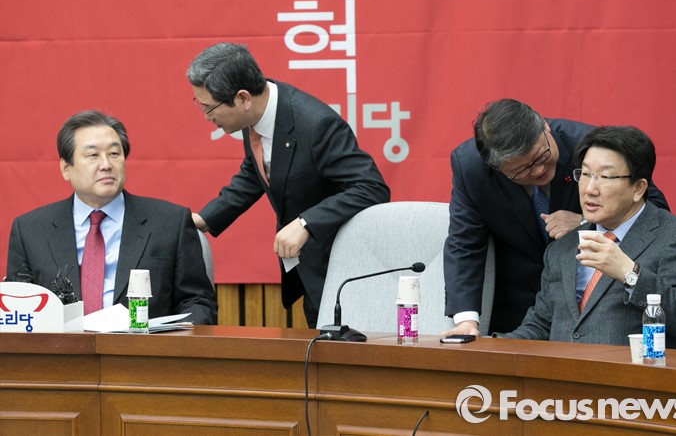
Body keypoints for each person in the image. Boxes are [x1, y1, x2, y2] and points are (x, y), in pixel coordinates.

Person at [186, 42, 390, 328]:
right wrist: (205, 219)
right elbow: (255, 173)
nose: (207, 117)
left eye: (210, 108)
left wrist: (306, 222)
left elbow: (371, 187)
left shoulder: (316, 124)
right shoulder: (255, 117)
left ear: (243, 98)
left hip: (342, 273)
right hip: (310, 270)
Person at [443, 99, 669, 336]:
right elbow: (464, 244)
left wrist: (586, 221)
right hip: (519, 312)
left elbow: (656, 211)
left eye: (541, 156)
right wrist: (466, 321)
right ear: (498, 168)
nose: (538, 170)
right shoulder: (470, 167)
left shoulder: (592, 149)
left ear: (544, 126)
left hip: (600, 312)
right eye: (521, 171)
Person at [6, 110, 218, 324]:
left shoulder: (171, 222)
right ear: (66, 168)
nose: (106, 165)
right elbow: (18, 311)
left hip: (145, 344)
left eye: (114, 154)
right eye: (93, 155)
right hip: (62, 345)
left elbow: (198, 302)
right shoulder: (30, 231)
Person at [501, 126, 676, 348]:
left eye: (605, 177)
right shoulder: (562, 248)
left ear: (638, 188)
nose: (589, 189)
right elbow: (540, 325)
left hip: (631, 369)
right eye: (585, 174)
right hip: (561, 370)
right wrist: (488, 346)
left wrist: (630, 274)